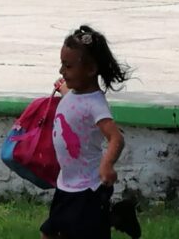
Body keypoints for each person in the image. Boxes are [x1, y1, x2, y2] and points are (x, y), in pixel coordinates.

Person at [40, 24, 136, 239]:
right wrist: (63, 88)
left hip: (87, 188)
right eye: (61, 65)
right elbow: (72, 102)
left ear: (91, 70)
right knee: (49, 232)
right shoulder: (74, 93)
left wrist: (107, 164)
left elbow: (115, 138)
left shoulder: (96, 104)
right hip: (65, 183)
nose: (62, 71)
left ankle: (115, 216)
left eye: (68, 66)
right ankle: (115, 216)